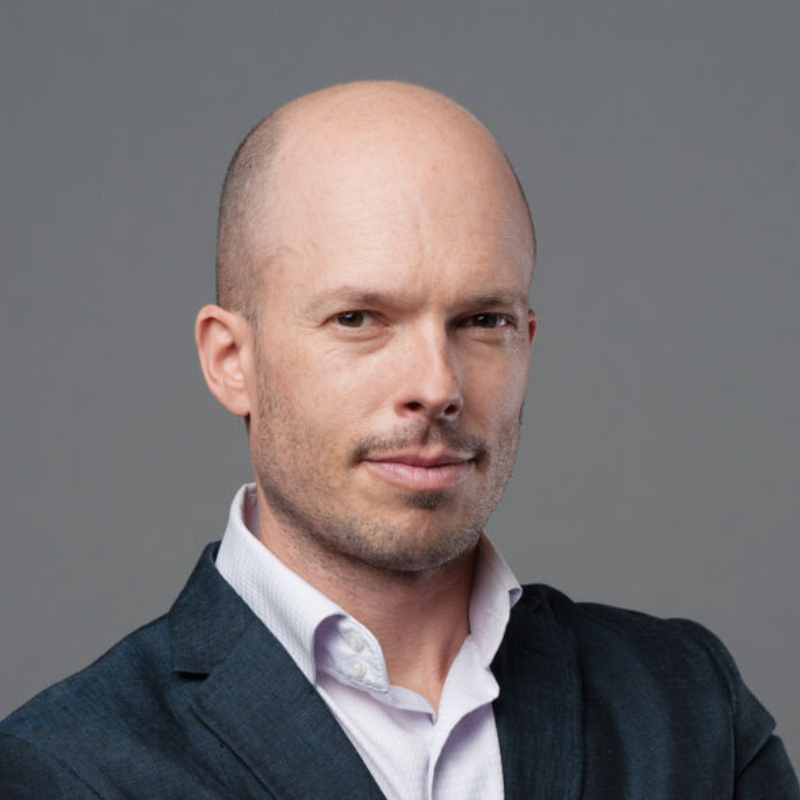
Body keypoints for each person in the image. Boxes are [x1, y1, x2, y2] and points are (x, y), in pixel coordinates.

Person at [0, 81, 796, 799]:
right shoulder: (66, 769)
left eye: (483, 320)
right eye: (359, 319)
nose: (439, 385)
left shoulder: (689, 707)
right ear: (231, 361)